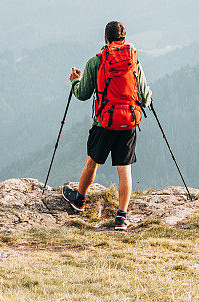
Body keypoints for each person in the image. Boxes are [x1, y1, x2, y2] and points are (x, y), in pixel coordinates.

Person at [62, 20, 152, 230]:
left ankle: (79, 200)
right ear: (124, 39)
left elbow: (83, 94)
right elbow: (145, 99)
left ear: (105, 38)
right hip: (128, 122)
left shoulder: (96, 62)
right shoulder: (134, 60)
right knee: (124, 170)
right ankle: (121, 217)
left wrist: (75, 81)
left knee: (92, 162)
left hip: (104, 122)